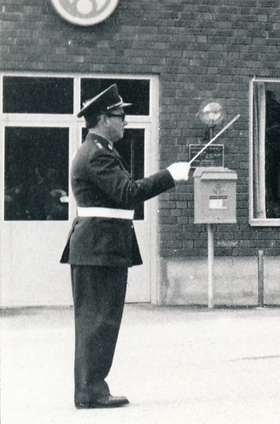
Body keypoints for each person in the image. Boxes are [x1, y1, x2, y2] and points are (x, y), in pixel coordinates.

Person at [61, 84, 191, 409]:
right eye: (121, 116)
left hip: (102, 245)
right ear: (105, 118)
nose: (126, 122)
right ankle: (90, 390)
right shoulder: (96, 154)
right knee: (97, 320)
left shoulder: (100, 150)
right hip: (99, 246)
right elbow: (128, 193)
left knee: (101, 320)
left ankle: (92, 387)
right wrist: (169, 176)